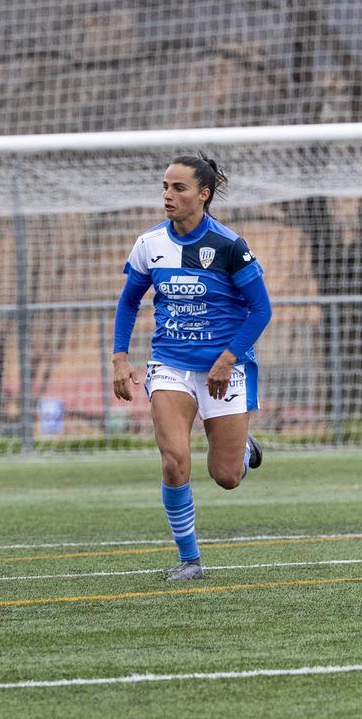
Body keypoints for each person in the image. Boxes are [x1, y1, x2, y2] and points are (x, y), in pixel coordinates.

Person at [111, 154, 272, 581]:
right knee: (173, 460)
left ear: (203, 194)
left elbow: (261, 309)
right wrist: (119, 357)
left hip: (225, 369)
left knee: (226, 478)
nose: (168, 195)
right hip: (170, 365)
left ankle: (243, 449)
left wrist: (228, 357)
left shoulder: (229, 246)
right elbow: (129, 301)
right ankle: (190, 560)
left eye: (179, 188)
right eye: (165, 186)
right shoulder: (150, 244)